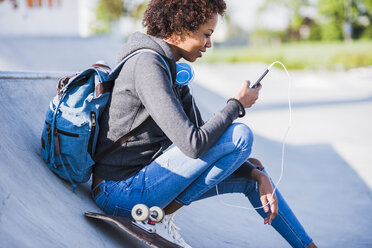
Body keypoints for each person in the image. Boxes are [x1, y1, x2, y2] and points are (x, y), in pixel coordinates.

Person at [91, 0, 317, 247]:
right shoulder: (148, 65)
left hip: (145, 184)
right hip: (118, 192)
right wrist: (237, 105)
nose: (209, 44)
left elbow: (208, 142)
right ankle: (158, 218)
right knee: (240, 135)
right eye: (206, 35)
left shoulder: (171, 70)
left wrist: (255, 174)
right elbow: (193, 145)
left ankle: (307, 246)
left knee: (254, 178)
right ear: (180, 28)